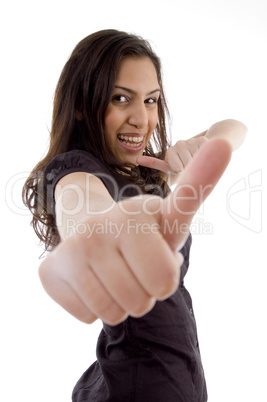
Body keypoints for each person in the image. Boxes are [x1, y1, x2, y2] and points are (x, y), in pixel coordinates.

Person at [23, 29, 247, 401]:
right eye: (121, 98)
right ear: (82, 105)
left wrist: (198, 144)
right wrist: (98, 226)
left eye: (151, 100)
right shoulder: (76, 168)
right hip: (141, 386)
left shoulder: (146, 170)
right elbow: (81, 199)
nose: (142, 119)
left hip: (177, 374)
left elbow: (235, 129)